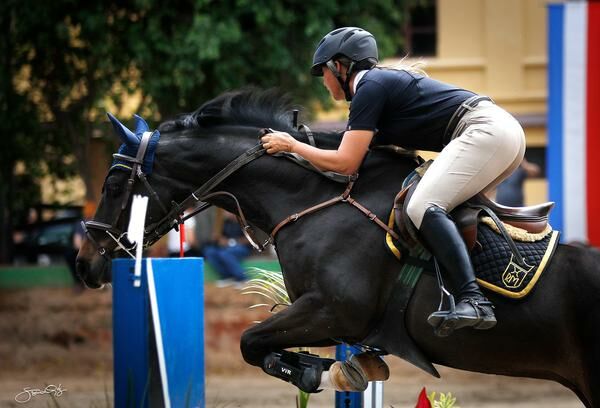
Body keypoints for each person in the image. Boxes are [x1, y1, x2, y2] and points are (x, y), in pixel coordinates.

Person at [260, 27, 526, 337]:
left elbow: (346, 163)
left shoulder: (369, 86)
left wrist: (292, 146)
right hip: (500, 134)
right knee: (442, 211)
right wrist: (299, 139)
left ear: (340, 66)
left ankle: (473, 299)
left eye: (324, 72)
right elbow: (349, 145)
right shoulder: (378, 88)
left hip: (485, 132)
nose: (324, 82)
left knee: (423, 205)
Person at [203, 209, 252, 287]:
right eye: (226, 211)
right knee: (209, 252)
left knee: (225, 253)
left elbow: (249, 239)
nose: (227, 213)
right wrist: (218, 239)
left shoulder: (244, 223)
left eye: (228, 211)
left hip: (243, 248)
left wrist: (231, 242)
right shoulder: (225, 223)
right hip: (225, 248)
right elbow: (220, 239)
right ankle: (228, 277)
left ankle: (243, 278)